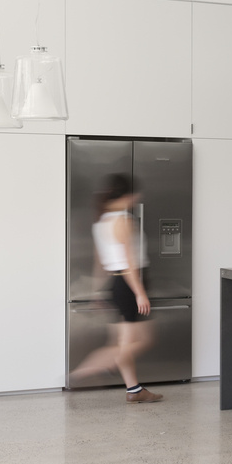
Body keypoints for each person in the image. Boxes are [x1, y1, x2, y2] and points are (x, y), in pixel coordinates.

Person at [68, 172, 163, 403]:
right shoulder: (123, 220)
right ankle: (95, 364)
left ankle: (135, 391)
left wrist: (98, 291)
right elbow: (130, 262)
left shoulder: (102, 221)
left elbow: (100, 262)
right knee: (143, 341)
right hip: (130, 284)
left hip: (116, 283)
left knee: (123, 342)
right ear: (129, 195)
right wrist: (140, 293)